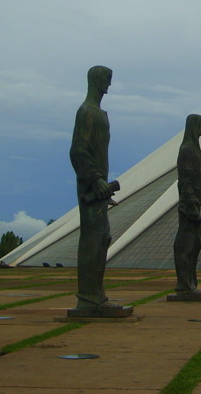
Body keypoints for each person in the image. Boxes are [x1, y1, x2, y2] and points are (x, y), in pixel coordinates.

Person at [70, 65, 120, 310]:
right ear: (96, 80)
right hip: (91, 187)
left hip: (100, 189)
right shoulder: (87, 112)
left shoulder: (99, 112)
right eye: (106, 80)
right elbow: (78, 151)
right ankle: (88, 298)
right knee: (92, 240)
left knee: (103, 238)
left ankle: (97, 296)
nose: (109, 85)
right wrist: (95, 179)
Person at [173, 114, 201, 294]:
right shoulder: (187, 149)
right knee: (186, 244)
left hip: (196, 202)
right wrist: (191, 204)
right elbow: (184, 180)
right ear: (194, 127)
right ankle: (184, 284)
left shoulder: (196, 151)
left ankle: (191, 282)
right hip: (189, 206)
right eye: (200, 125)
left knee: (196, 243)